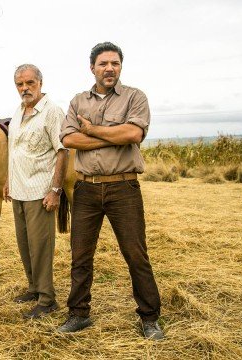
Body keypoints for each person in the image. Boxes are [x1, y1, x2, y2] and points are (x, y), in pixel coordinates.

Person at [57, 42, 164, 340]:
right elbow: (68, 140)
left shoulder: (134, 97)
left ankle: (149, 318)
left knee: (135, 254)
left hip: (124, 187)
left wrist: (90, 131)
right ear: (92, 67)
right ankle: (78, 314)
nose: (109, 68)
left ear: (120, 67)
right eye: (103, 63)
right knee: (80, 255)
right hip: (86, 189)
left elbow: (133, 133)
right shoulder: (78, 101)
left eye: (115, 63)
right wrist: (112, 137)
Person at [3, 64, 68, 319]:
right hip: (18, 190)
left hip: (40, 192)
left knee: (40, 246)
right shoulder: (19, 111)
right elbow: (14, 150)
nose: (24, 88)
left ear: (40, 82)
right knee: (24, 245)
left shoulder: (52, 112)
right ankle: (33, 288)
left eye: (30, 83)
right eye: (20, 84)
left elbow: (62, 151)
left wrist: (56, 190)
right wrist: (8, 180)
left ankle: (47, 298)